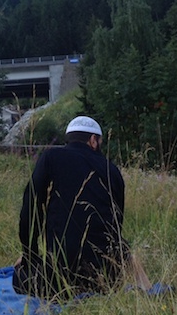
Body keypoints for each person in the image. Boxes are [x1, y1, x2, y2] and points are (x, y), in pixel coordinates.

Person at [12, 115, 152, 298]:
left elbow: (31, 204)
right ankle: (147, 288)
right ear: (94, 141)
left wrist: (30, 253)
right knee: (122, 246)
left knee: (19, 273)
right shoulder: (112, 170)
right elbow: (116, 225)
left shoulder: (52, 156)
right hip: (107, 280)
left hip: (59, 281)